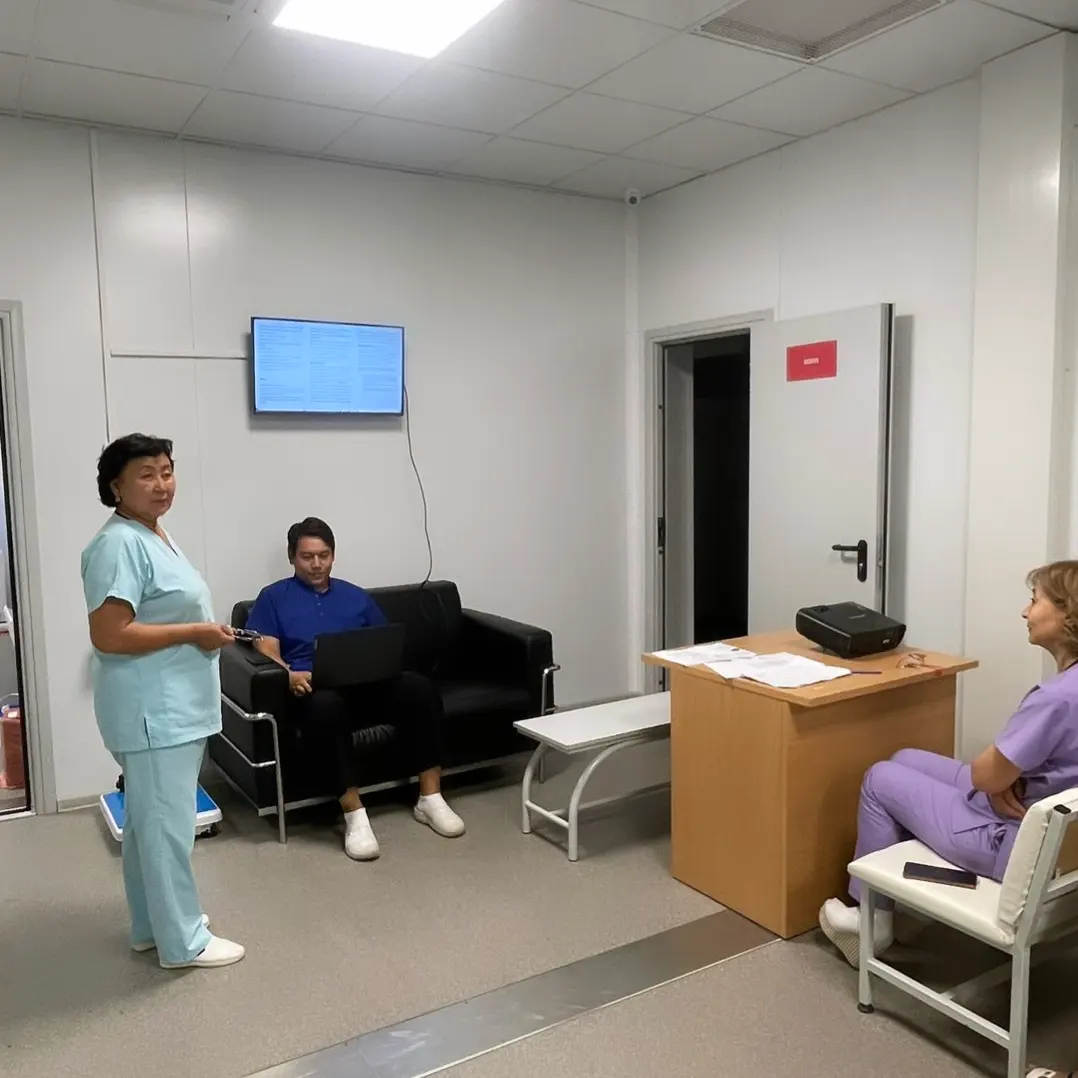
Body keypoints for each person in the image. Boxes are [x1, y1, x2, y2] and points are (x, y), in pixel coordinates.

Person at [820, 560, 1078, 969]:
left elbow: (983, 775)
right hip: (1037, 822)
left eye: (1035, 601)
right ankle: (899, 901)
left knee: (879, 778)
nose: (1025, 612)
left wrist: (998, 779)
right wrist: (1003, 778)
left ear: (1067, 614)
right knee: (904, 758)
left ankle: (872, 921)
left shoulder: (1056, 699)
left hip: (1008, 841)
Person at [81, 433, 244, 969]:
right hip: (155, 712)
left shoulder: (151, 533)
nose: (161, 484)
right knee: (167, 830)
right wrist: (196, 632)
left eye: (167, 471)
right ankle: (184, 942)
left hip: (168, 707)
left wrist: (201, 631)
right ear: (116, 486)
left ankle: (153, 927)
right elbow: (110, 634)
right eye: (146, 475)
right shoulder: (118, 544)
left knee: (149, 827)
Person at [246, 516, 464, 861]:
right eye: (307, 556)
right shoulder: (273, 597)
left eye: (324, 555)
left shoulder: (354, 595)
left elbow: (384, 641)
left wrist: (382, 665)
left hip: (365, 684)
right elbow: (265, 648)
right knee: (326, 707)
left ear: (333, 556)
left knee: (419, 688)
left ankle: (430, 797)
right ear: (292, 557)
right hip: (311, 690)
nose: (316, 564)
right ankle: (354, 814)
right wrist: (288, 674)